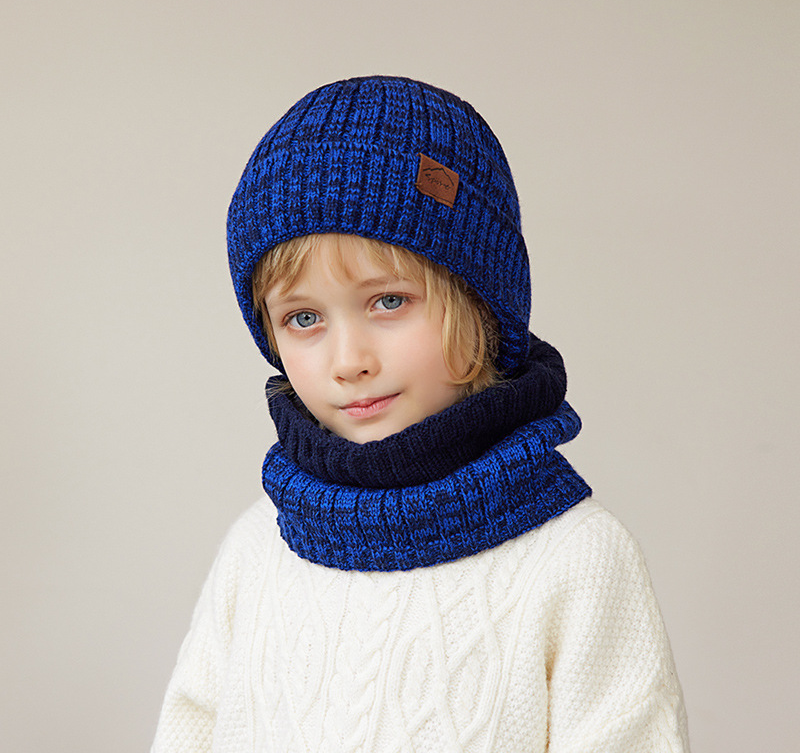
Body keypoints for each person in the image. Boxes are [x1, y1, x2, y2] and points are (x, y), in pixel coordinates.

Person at [152, 75, 689, 752]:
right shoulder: (261, 546)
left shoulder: (576, 562)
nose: (349, 360)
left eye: (388, 302)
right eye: (304, 318)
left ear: (481, 303)